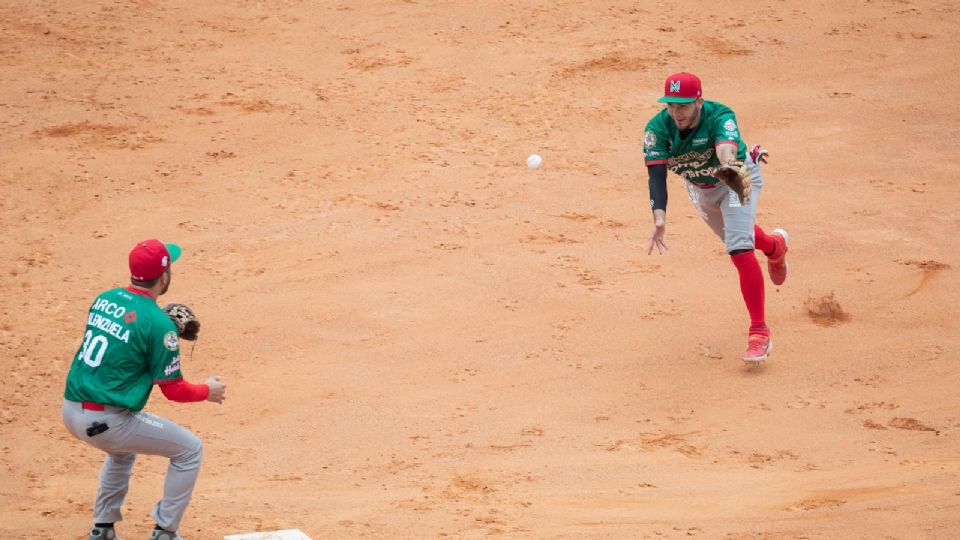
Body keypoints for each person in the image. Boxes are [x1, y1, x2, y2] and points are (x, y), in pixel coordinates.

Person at [61, 239, 227, 540]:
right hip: (107, 421)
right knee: (190, 450)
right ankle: (165, 531)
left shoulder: (104, 299)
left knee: (122, 453)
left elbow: (122, 353)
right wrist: (208, 390)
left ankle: (103, 529)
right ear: (163, 277)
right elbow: (174, 390)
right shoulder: (158, 326)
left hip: (72, 409)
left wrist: (154, 331)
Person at [643, 72, 789, 362]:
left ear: (699, 101)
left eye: (682, 105)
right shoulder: (657, 128)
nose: (676, 112)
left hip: (734, 179)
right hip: (700, 188)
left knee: (739, 249)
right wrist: (659, 218)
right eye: (671, 105)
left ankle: (759, 333)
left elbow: (726, 149)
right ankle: (775, 246)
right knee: (738, 237)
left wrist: (728, 166)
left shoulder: (720, 115)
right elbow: (656, 175)